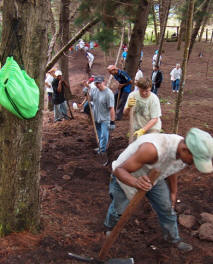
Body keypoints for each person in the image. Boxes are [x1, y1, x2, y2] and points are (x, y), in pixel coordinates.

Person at [104, 127, 213, 252]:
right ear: (185, 150)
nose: (193, 164)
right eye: (194, 160)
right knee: (119, 209)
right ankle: (110, 229)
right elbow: (119, 170)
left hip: (155, 176)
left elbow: (173, 168)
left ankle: (173, 239)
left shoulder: (183, 153)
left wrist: (173, 192)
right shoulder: (152, 150)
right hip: (127, 176)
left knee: (167, 208)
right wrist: (135, 182)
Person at [89, 75, 115, 165]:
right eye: (96, 83)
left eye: (99, 83)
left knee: (104, 135)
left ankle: (102, 151)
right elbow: (90, 99)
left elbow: (111, 108)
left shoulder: (108, 93)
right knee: (99, 134)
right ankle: (100, 147)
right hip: (96, 116)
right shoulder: (94, 90)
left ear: (104, 82)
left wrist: (112, 121)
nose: (98, 85)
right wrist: (86, 92)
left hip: (105, 118)